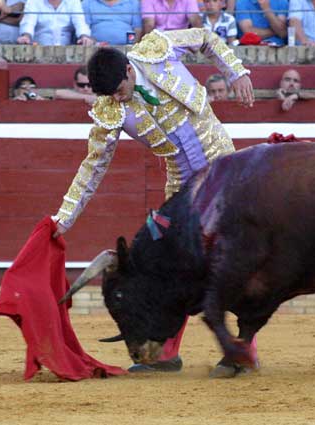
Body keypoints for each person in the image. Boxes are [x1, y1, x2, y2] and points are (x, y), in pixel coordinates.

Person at [51, 28, 255, 375]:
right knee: (172, 266)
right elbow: (92, 167)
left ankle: (241, 347)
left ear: (129, 71)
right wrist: (63, 219)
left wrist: (236, 70)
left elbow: (206, 37)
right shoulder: (109, 108)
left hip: (220, 164)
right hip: (179, 183)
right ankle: (163, 354)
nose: (117, 100)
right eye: (110, 96)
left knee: (231, 256)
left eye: (119, 91)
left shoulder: (158, 47)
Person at [17, 0, 94, 45]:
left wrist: (84, 36)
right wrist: (26, 36)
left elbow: (80, 23)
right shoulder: (33, 1)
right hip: (38, 49)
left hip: (66, 50)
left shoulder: (73, 2)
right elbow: (28, 22)